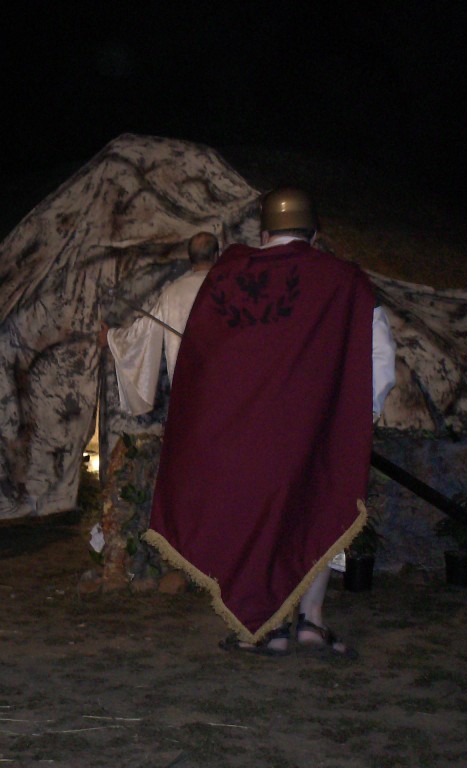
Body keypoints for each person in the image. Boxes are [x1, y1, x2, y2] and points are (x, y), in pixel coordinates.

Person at [142, 187, 396, 658]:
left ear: (263, 233)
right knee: (317, 510)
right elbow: (380, 355)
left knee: (252, 523)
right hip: (312, 432)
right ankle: (311, 623)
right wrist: (354, 418)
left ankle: (263, 627)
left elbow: (202, 360)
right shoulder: (343, 281)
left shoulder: (227, 277)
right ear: (314, 235)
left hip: (241, 435)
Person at [100, 231, 220, 415]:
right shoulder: (230, 288)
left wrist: (111, 337)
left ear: (190, 258)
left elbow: (142, 332)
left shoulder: (172, 293)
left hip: (187, 395)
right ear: (216, 255)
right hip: (227, 389)